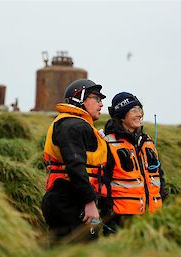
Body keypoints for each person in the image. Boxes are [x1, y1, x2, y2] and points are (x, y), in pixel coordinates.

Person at [41, 79, 107, 244]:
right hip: (69, 198)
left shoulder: (74, 124)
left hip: (70, 197)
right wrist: (89, 202)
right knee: (83, 249)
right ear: (81, 98)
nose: (101, 104)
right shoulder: (73, 125)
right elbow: (75, 165)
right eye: (97, 99)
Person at [101, 92, 168, 234]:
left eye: (140, 109)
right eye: (134, 110)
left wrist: (164, 206)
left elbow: (159, 178)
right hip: (123, 221)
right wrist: (109, 217)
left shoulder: (148, 142)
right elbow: (102, 183)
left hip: (154, 219)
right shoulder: (108, 144)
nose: (139, 114)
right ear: (121, 115)